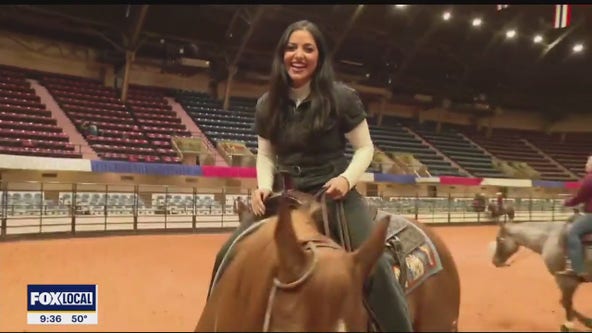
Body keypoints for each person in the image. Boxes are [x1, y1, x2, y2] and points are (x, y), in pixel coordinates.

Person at [207, 20, 413, 332]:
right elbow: (265, 154)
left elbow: (365, 149)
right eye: (291, 47)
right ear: (282, 55)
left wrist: (346, 180)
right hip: (284, 197)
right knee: (227, 254)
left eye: (308, 48)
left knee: (377, 268)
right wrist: (263, 187)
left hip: (333, 195)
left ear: (320, 56)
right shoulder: (267, 103)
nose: (298, 55)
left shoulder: (343, 98)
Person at [556, 155, 592, 281]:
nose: (585, 165)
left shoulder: (589, 178)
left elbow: (579, 197)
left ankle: (576, 268)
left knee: (573, 233)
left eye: (587, 163)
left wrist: (566, 203)